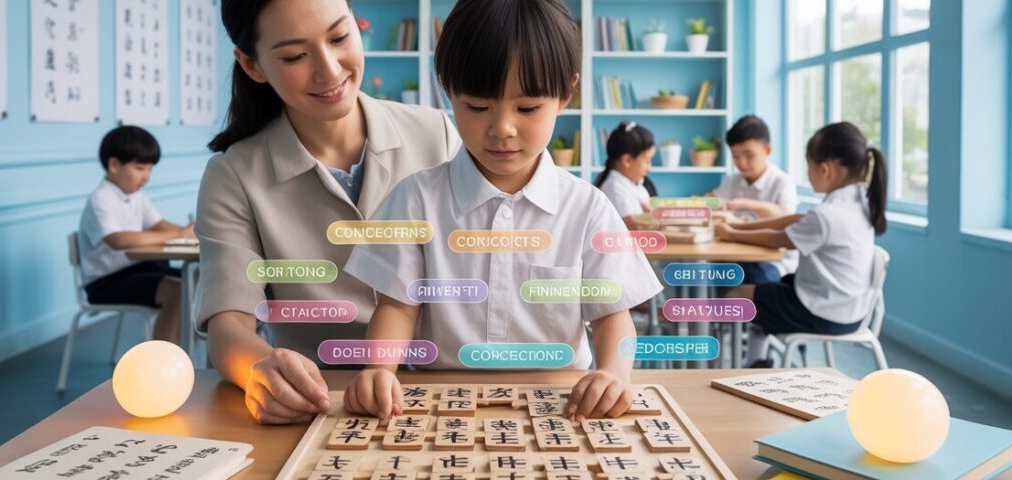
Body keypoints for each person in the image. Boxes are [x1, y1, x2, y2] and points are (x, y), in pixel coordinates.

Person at [341, 0, 663, 421]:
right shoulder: (415, 199)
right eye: (477, 107)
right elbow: (398, 307)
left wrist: (614, 372)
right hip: (440, 402)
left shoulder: (587, 208)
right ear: (446, 89)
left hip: (561, 405)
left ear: (567, 93)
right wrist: (378, 370)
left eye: (527, 108)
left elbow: (611, 316)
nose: (502, 128)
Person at [196, 0, 462, 425]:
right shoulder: (233, 174)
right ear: (252, 65)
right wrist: (260, 369)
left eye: (339, 37)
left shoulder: (437, 134)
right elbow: (229, 324)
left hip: (440, 389)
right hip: (320, 400)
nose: (329, 69)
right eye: (295, 56)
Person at [714, 122, 887, 367]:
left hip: (824, 312)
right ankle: (757, 360)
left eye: (808, 166)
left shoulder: (828, 215)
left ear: (824, 169)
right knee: (763, 290)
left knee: (736, 296)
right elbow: (793, 219)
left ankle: (739, 367)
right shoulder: (856, 203)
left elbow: (778, 238)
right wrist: (737, 228)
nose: (807, 173)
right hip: (849, 308)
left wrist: (731, 233)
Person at [79, 126, 192, 344]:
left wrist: (189, 233)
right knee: (177, 291)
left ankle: (190, 349)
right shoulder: (100, 199)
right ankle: (165, 358)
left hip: (136, 268)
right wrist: (178, 234)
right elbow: (118, 240)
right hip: (106, 282)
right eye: (140, 168)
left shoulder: (137, 195)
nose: (146, 177)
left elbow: (158, 224)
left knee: (194, 281)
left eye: (150, 169)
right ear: (114, 165)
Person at [710, 115, 798, 282]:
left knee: (746, 274)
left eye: (749, 155)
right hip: (738, 255)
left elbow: (785, 218)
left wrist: (747, 205)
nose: (741, 163)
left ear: (767, 150)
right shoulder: (732, 181)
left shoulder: (782, 181)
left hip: (775, 262)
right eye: (735, 157)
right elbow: (713, 201)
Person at [595, 121, 658, 228]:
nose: (649, 168)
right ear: (627, 160)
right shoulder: (614, 189)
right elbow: (633, 226)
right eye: (647, 161)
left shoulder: (635, 185)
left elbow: (649, 212)